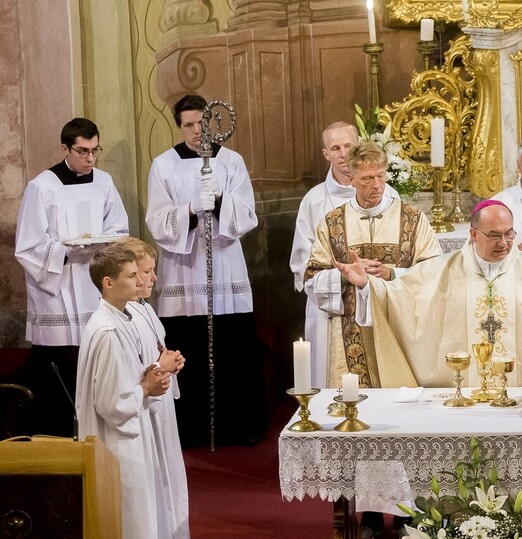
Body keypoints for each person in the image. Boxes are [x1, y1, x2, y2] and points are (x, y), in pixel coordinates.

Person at [335, 199, 522, 388]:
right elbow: (399, 295)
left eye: (509, 234)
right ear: (473, 234)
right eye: (494, 235)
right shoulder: (442, 271)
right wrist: (366, 285)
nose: (504, 243)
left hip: (518, 395)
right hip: (461, 395)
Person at [146, 94, 267, 447]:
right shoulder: (163, 165)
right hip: (183, 271)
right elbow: (156, 220)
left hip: (225, 267)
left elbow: (247, 215)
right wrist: (189, 210)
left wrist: (219, 201)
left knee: (232, 350)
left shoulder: (231, 162)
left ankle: (238, 426)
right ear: (179, 126)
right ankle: (191, 430)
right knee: (189, 350)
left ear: (213, 123)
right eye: (189, 125)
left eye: (202, 123)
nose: (197, 131)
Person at [76, 244, 177, 539]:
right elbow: (110, 403)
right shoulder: (107, 331)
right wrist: (146, 388)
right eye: (132, 276)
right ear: (108, 282)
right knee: (125, 533)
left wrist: (151, 376)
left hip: (131, 437)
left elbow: (126, 381)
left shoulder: (121, 319)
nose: (141, 282)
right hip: (116, 446)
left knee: (135, 530)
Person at [15, 117, 128, 436]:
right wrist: (65, 250)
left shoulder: (104, 182)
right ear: (65, 149)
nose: (90, 158)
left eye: (95, 150)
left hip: (93, 283)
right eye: (83, 151)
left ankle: (97, 433)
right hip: (58, 288)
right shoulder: (42, 187)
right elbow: (28, 245)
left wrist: (99, 244)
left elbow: (119, 227)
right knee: (62, 362)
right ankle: (58, 434)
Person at [304, 141, 441, 389]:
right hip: (349, 330)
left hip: (399, 324)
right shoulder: (333, 223)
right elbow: (312, 279)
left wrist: (393, 273)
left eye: (380, 176)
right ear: (350, 178)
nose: (376, 185)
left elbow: (434, 272)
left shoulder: (412, 219)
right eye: (367, 178)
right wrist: (343, 276)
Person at [120, 237, 192, 539]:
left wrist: (168, 362)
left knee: (165, 495)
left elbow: (154, 354)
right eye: (145, 272)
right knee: (152, 501)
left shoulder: (145, 309)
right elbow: (129, 369)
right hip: (141, 417)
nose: (152, 278)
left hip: (160, 413)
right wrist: (158, 367)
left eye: (151, 270)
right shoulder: (120, 319)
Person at [290, 121, 360, 389]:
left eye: (348, 146)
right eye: (335, 148)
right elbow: (302, 261)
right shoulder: (314, 200)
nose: (343, 154)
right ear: (326, 154)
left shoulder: (385, 193)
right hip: (329, 304)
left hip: (370, 299)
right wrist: (338, 277)